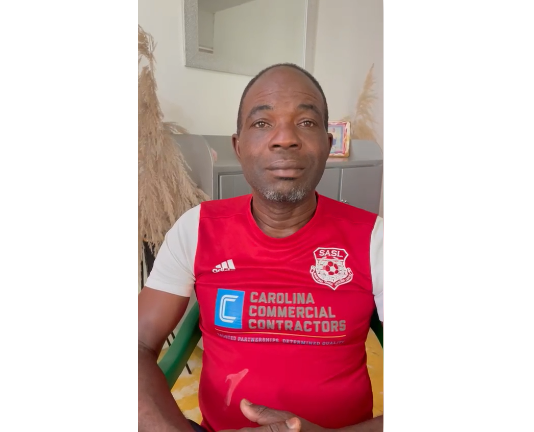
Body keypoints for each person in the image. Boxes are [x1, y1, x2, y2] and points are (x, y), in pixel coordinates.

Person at [138, 63, 383, 432]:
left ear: (329, 145)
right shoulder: (197, 229)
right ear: (238, 147)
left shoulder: (375, 238)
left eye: (306, 122)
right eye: (262, 123)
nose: (284, 138)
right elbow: (137, 344)